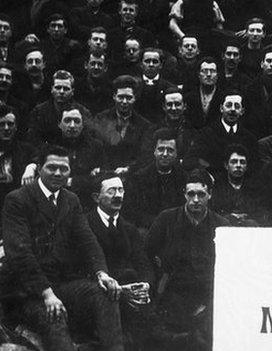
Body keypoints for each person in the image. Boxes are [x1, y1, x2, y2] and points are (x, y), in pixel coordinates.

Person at [1, 144, 123, 350]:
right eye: (52, 167)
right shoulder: (18, 200)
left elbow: (88, 241)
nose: (58, 173)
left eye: (64, 169)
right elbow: (20, 253)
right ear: (39, 168)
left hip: (61, 285)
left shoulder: (70, 200)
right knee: (55, 317)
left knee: (105, 294)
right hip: (27, 292)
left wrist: (102, 273)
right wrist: (47, 294)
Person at [146, 168, 229, 350]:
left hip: (208, 295)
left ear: (210, 195)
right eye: (191, 194)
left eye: (201, 194)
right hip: (174, 293)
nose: (196, 200)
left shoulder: (221, 225)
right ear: (184, 194)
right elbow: (147, 252)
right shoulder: (167, 219)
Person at [87, 172, 153, 349]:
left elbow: (144, 264)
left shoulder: (129, 229)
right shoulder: (85, 225)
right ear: (96, 197)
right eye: (111, 191)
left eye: (121, 190)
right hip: (102, 292)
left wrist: (145, 284)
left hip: (131, 292)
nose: (118, 195)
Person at [124, 128, 187, 233]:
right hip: (147, 230)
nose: (165, 154)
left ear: (176, 154)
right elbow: (132, 212)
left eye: (170, 150)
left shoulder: (184, 179)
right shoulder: (138, 178)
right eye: (161, 149)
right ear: (154, 151)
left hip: (177, 230)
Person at [89, 75, 155, 172]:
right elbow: (94, 148)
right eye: (121, 97)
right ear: (114, 96)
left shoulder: (144, 125)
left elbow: (144, 156)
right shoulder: (101, 119)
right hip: (104, 173)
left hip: (131, 175)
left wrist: (128, 169)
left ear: (134, 98)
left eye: (128, 98)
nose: (124, 102)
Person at [211, 144, 259, 226]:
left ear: (246, 166)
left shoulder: (255, 187)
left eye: (242, 162)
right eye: (234, 162)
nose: (238, 165)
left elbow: (260, 212)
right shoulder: (216, 187)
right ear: (226, 165)